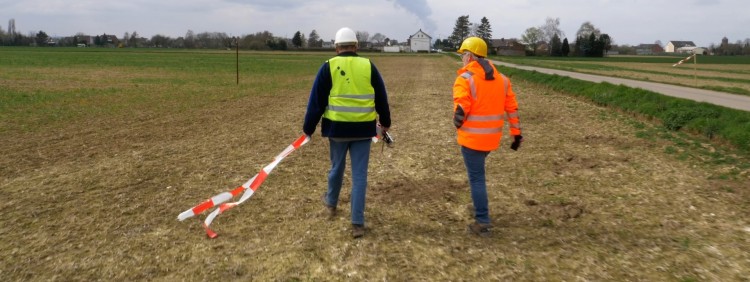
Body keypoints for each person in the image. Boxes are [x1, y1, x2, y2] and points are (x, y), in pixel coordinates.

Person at [302, 27, 392, 239]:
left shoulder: (328, 67)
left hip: (337, 130)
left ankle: (331, 204)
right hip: (363, 130)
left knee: (336, 168)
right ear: (356, 46)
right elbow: (382, 97)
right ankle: (357, 224)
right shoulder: (369, 66)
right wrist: (385, 122)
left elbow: (316, 102)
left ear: (336, 48)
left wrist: (308, 128)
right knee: (359, 176)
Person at [452, 37, 523, 237]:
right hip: (491, 140)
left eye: (463, 55)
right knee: (478, 177)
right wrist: (516, 135)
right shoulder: (503, 80)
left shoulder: (465, 79)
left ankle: (482, 221)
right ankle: (479, 208)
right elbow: (512, 109)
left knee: (477, 179)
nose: (462, 60)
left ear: (470, 56)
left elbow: (462, 105)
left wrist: (457, 120)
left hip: (472, 140)